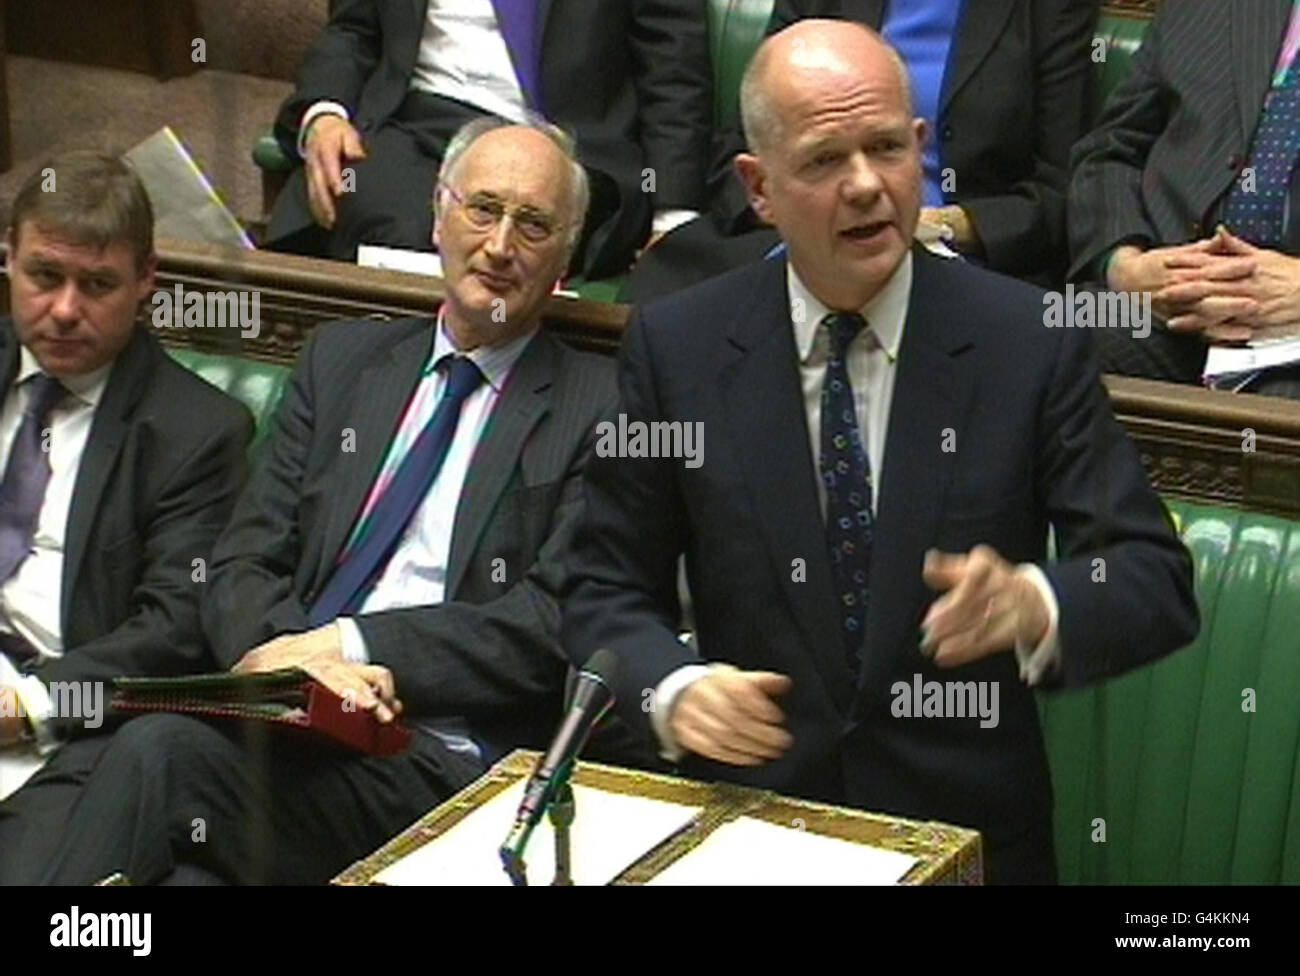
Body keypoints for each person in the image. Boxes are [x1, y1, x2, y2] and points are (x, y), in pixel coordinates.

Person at [562, 21, 1199, 884]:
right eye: (825, 161)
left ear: (921, 148)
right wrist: (672, 690)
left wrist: (1038, 601)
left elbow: (1151, 576)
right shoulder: (679, 348)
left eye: (888, 149)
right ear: (759, 186)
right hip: (753, 829)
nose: (867, 186)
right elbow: (604, 589)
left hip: (962, 843)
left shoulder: (1024, 341)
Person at [40, 119, 618, 885]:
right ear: (438, 215)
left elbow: (556, 621)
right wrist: (296, 669)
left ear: (566, 257)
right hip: (294, 727)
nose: (501, 246)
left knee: (153, 749)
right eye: (482, 209)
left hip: (443, 758)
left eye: (533, 224)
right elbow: (245, 557)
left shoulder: (600, 406)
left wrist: (351, 649)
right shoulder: (343, 364)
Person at [0, 151, 252, 883]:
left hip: (65, 732)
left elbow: (173, 633)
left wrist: (24, 704)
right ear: (9, 260)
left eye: (98, 284)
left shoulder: (196, 431)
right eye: (45, 276)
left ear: (146, 281)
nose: (67, 309)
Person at [623, 0, 1098, 301]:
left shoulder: (1050, 9)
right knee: (666, 290)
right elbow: (752, 138)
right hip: (802, 236)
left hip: (961, 256)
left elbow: (1060, 195)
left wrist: (941, 225)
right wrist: (806, 213)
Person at [265, 0, 713, 280]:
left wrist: (671, 217)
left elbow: (672, 67)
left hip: (561, 140)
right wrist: (325, 112)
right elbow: (353, 29)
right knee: (390, 220)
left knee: (507, 233)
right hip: (418, 123)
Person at [1069, 0, 1300, 398]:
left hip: (1290, 335)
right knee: (1042, 334)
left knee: (1279, 415)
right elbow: (1112, 151)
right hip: (1166, 303)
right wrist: (1125, 265)